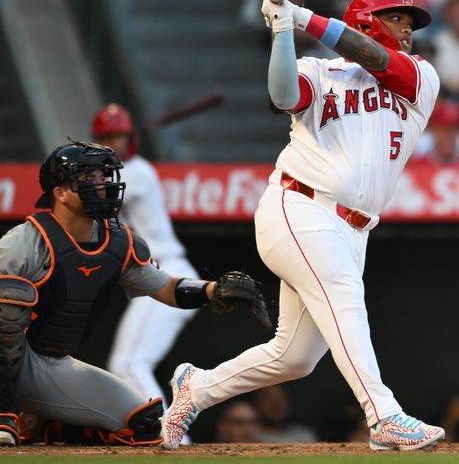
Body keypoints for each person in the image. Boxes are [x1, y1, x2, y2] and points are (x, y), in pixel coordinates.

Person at [159, 0, 445, 451]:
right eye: (396, 17)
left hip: (354, 228)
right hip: (300, 205)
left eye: (410, 20)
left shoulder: (422, 77)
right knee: (343, 294)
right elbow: (282, 94)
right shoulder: (321, 70)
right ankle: (384, 415)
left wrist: (303, 17)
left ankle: (199, 386)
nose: (408, 27)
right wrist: (282, 32)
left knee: (295, 357)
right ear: (367, 20)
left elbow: (375, 57)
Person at [0, 141, 268, 446]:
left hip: (48, 365)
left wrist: (213, 290)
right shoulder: (24, 242)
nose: (101, 186)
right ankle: (4, 414)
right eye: (89, 179)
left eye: (103, 177)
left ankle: (42, 425)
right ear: (60, 192)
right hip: (10, 359)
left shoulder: (117, 242)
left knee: (144, 425)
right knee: (8, 302)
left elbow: (166, 288)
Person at [91, 104, 200, 419]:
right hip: (150, 278)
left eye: (120, 136)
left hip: (165, 274)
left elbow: (99, 196)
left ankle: (171, 435)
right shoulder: (116, 171)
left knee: (129, 364)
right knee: (127, 363)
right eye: (108, 137)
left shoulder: (136, 172)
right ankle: (171, 435)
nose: (115, 142)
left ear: (130, 138)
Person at [411, 98, 459, 165]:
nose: (449, 135)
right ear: (434, 131)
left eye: (454, 129)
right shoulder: (419, 165)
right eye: (445, 130)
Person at [251, 385, 317, 443]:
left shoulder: (303, 435)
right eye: (268, 397)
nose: (276, 403)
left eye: (281, 397)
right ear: (256, 402)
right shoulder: (248, 436)